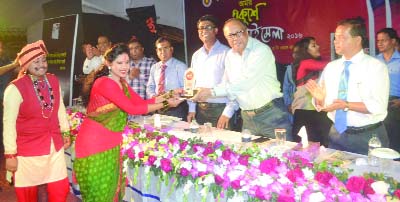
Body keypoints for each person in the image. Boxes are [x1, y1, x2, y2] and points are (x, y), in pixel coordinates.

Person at [74, 44, 182, 202]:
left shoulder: (122, 83)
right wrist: (167, 104)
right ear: (109, 63)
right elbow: (132, 108)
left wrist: (169, 94)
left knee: (110, 191)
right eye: (119, 63)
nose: (125, 67)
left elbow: (142, 102)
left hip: (111, 142)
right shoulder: (105, 83)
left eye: (127, 62)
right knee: (98, 193)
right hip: (94, 143)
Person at [194, 18, 292, 139]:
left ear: (247, 32)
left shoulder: (261, 50)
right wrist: (226, 112)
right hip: (247, 118)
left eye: (238, 33)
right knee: (250, 156)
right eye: (230, 35)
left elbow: (245, 83)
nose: (235, 38)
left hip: (271, 114)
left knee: (282, 154)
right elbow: (229, 84)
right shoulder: (230, 56)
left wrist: (211, 92)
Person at [305, 17, 389, 155]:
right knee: (336, 175)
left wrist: (346, 105)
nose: (335, 41)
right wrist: (320, 99)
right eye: (335, 38)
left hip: (368, 136)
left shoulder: (375, 67)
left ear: (357, 40)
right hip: (337, 134)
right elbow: (325, 103)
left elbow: (378, 106)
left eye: (341, 37)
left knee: (370, 176)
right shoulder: (331, 67)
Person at [3, 40, 71, 201]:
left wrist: (65, 130)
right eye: (36, 61)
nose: (42, 64)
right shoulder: (14, 88)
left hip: (53, 145)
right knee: (27, 194)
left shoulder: (53, 80)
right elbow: (9, 124)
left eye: (43, 60)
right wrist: (10, 155)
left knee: (60, 189)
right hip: (28, 150)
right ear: (25, 65)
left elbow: (59, 107)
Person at [187, 14, 239, 129]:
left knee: (223, 145)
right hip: (200, 110)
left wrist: (227, 113)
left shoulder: (227, 53)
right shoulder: (196, 55)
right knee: (200, 144)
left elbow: (234, 86)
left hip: (220, 110)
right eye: (201, 28)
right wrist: (191, 109)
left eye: (207, 27)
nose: (203, 30)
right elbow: (191, 84)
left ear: (216, 30)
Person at [290, 37, 332, 146]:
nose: (318, 47)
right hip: (304, 112)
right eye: (313, 45)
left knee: (320, 147)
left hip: (318, 111)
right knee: (305, 148)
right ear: (305, 51)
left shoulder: (317, 67)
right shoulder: (305, 63)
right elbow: (329, 65)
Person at [147, 37, 188, 120]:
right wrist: (154, 96)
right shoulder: (154, 67)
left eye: (165, 48)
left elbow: (187, 89)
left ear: (171, 49)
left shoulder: (180, 67)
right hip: (157, 108)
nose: (163, 52)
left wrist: (171, 96)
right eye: (160, 49)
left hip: (175, 109)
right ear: (157, 51)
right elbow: (150, 87)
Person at [376, 28, 400, 152]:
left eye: (383, 40)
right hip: (378, 103)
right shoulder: (374, 61)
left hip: (395, 104)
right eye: (378, 40)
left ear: (393, 41)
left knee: (395, 139)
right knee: (379, 138)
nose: (379, 43)